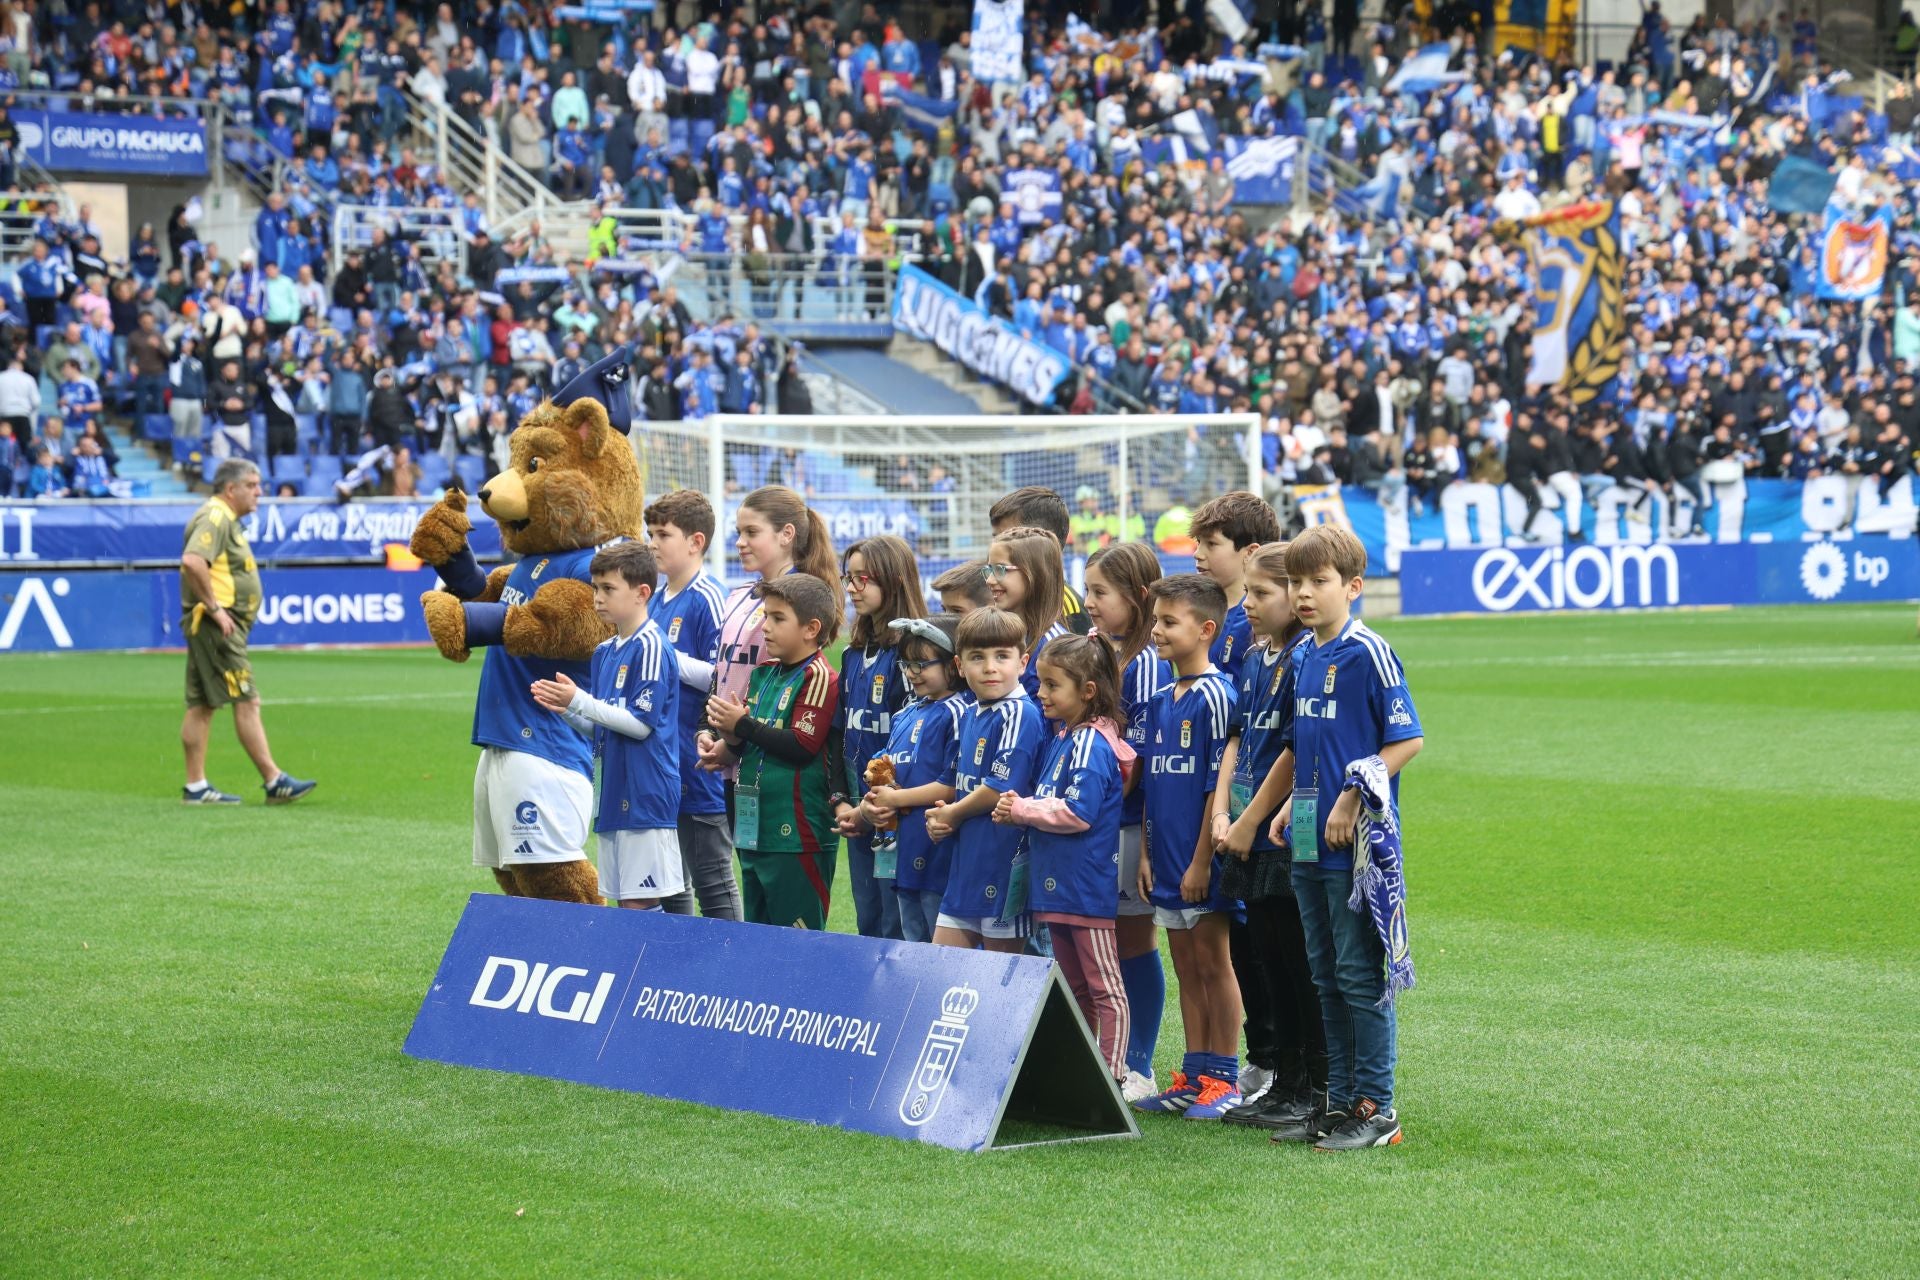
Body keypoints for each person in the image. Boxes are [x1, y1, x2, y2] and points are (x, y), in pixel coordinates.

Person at [1256, 525, 1425, 1150]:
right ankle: (1338, 1101)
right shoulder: (1304, 654)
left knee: (1358, 974)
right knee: (1324, 973)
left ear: (1353, 587)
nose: (1303, 594)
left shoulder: (1368, 651)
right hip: (1305, 832)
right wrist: (1287, 807)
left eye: (1317, 582)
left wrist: (1353, 794)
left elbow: (1407, 739)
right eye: (1296, 582)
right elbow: (1306, 743)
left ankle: (1377, 1109)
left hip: (1356, 844)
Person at [1214, 544, 1326, 1131]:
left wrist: (1253, 817)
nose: (1250, 605)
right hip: (1246, 825)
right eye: (1250, 593)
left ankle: (1313, 1085)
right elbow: (1238, 737)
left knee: (1297, 959)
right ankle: (1283, 1080)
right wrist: (1224, 813)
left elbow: (1293, 749)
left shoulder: (1308, 658)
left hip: (1285, 828)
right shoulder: (1258, 657)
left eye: (1262, 594)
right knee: (1265, 957)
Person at [993, 633, 1136, 1086]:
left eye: (1053, 685)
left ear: (1087, 691)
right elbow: (1050, 798)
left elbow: (1077, 811)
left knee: (1103, 988)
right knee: (1075, 987)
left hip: (1084, 887)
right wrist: (1024, 803)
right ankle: (1083, 1075)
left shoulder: (1091, 744)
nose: (1041, 692)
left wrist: (1020, 809)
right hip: (1056, 884)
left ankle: (1108, 1081)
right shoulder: (1065, 737)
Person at [1133, 573, 1242, 1120]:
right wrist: (1149, 855)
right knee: (1183, 963)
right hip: (1166, 858)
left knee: (1213, 962)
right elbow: (1154, 784)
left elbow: (1214, 788)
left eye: (1167, 622)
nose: (1156, 630)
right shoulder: (1158, 700)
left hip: (1203, 862)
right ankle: (1194, 1073)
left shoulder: (1218, 697)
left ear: (1206, 629)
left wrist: (1202, 860)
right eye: (1156, 620)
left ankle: (1225, 1075)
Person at [532, 543, 681, 909]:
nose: (597, 598)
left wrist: (579, 701)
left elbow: (640, 725)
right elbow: (603, 727)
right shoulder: (604, 652)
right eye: (595, 588)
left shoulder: (650, 646)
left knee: (639, 903)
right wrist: (568, 710)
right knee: (622, 902)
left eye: (608, 589)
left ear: (642, 593)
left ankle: (661, 968)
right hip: (613, 791)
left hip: (646, 792)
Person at [703, 574, 843, 930]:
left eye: (778, 619)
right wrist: (727, 737)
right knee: (759, 938)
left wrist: (742, 727)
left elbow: (801, 744)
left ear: (811, 628)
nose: (766, 627)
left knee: (799, 948)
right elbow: (749, 742)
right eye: (766, 616)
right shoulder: (764, 674)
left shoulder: (818, 676)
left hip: (795, 836)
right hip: (756, 832)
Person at [1083, 540, 1170, 1101]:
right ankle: (1108, 1051)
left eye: (1100, 593)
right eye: (1087, 590)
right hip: (1094, 821)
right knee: (1103, 942)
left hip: (1128, 822)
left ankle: (1139, 1061)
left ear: (1138, 598)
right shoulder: (1099, 648)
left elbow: (1131, 760)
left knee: (1134, 940)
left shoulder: (1143, 667)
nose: (1089, 603)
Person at [178, 460, 316, 806]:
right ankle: (274, 780)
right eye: (252, 485)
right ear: (230, 489)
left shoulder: (224, 518)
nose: (259, 491)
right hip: (218, 627)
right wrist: (214, 608)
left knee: (202, 704)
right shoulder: (217, 517)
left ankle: (196, 786)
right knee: (248, 700)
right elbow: (193, 561)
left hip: (215, 624)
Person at [683, 486, 841, 787]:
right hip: (733, 754)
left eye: (752, 532)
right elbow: (723, 671)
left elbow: (782, 686)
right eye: (739, 532)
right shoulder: (739, 595)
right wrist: (707, 729)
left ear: (786, 534)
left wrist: (734, 744)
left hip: (771, 764)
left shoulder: (804, 600)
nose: (740, 542)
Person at [642, 490, 742, 921]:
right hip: (662, 762)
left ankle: (731, 972)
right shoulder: (656, 599)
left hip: (699, 763)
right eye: (650, 533)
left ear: (696, 542)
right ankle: (680, 973)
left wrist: (663, 656)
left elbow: (724, 677)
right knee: (668, 881)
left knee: (713, 883)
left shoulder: (708, 597)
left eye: (663, 534)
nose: (652, 543)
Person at [925, 607, 1044, 953]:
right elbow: (956, 780)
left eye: (1001, 656)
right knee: (941, 968)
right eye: (977, 657)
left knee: (999, 986)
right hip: (965, 868)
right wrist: (940, 816)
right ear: (960, 666)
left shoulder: (1019, 712)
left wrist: (953, 814)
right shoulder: (969, 712)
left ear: (1022, 663)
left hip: (1003, 863)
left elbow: (998, 788)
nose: (990, 667)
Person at [831, 536, 925, 941]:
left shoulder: (913, 658)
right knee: (868, 920)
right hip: (858, 809)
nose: (851, 589)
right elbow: (838, 737)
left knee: (898, 924)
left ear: (894, 580)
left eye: (861, 579)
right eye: (847, 578)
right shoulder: (853, 654)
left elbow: (915, 746)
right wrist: (842, 801)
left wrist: (878, 806)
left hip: (897, 812)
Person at [863, 615, 969, 943]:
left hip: (938, 850)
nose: (911, 673)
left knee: (941, 946)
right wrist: (874, 792)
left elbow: (952, 785)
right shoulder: (907, 711)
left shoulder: (960, 712)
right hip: (903, 849)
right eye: (906, 663)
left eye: (922, 664)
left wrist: (896, 800)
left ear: (953, 664)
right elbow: (887, 763)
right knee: (911, 940)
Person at [984, 525, 1069, 716]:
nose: (989, 580)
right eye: (989, 569)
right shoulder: (1001, 635)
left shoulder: (1055, 646)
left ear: (1035, 573)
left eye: (999, 569)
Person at [1189, 491, 1277, 671]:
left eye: (1211, 544)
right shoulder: (1195, 611)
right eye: (1198, 542)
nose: (1197, 553)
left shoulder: (1266, 619)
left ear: (1250, 552)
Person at [988, 486, 1087, 624]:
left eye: (1010, 536)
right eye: (996, 537)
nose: (998, 544)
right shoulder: (1003, 598)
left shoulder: (1068, 612)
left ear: (1042, 541)